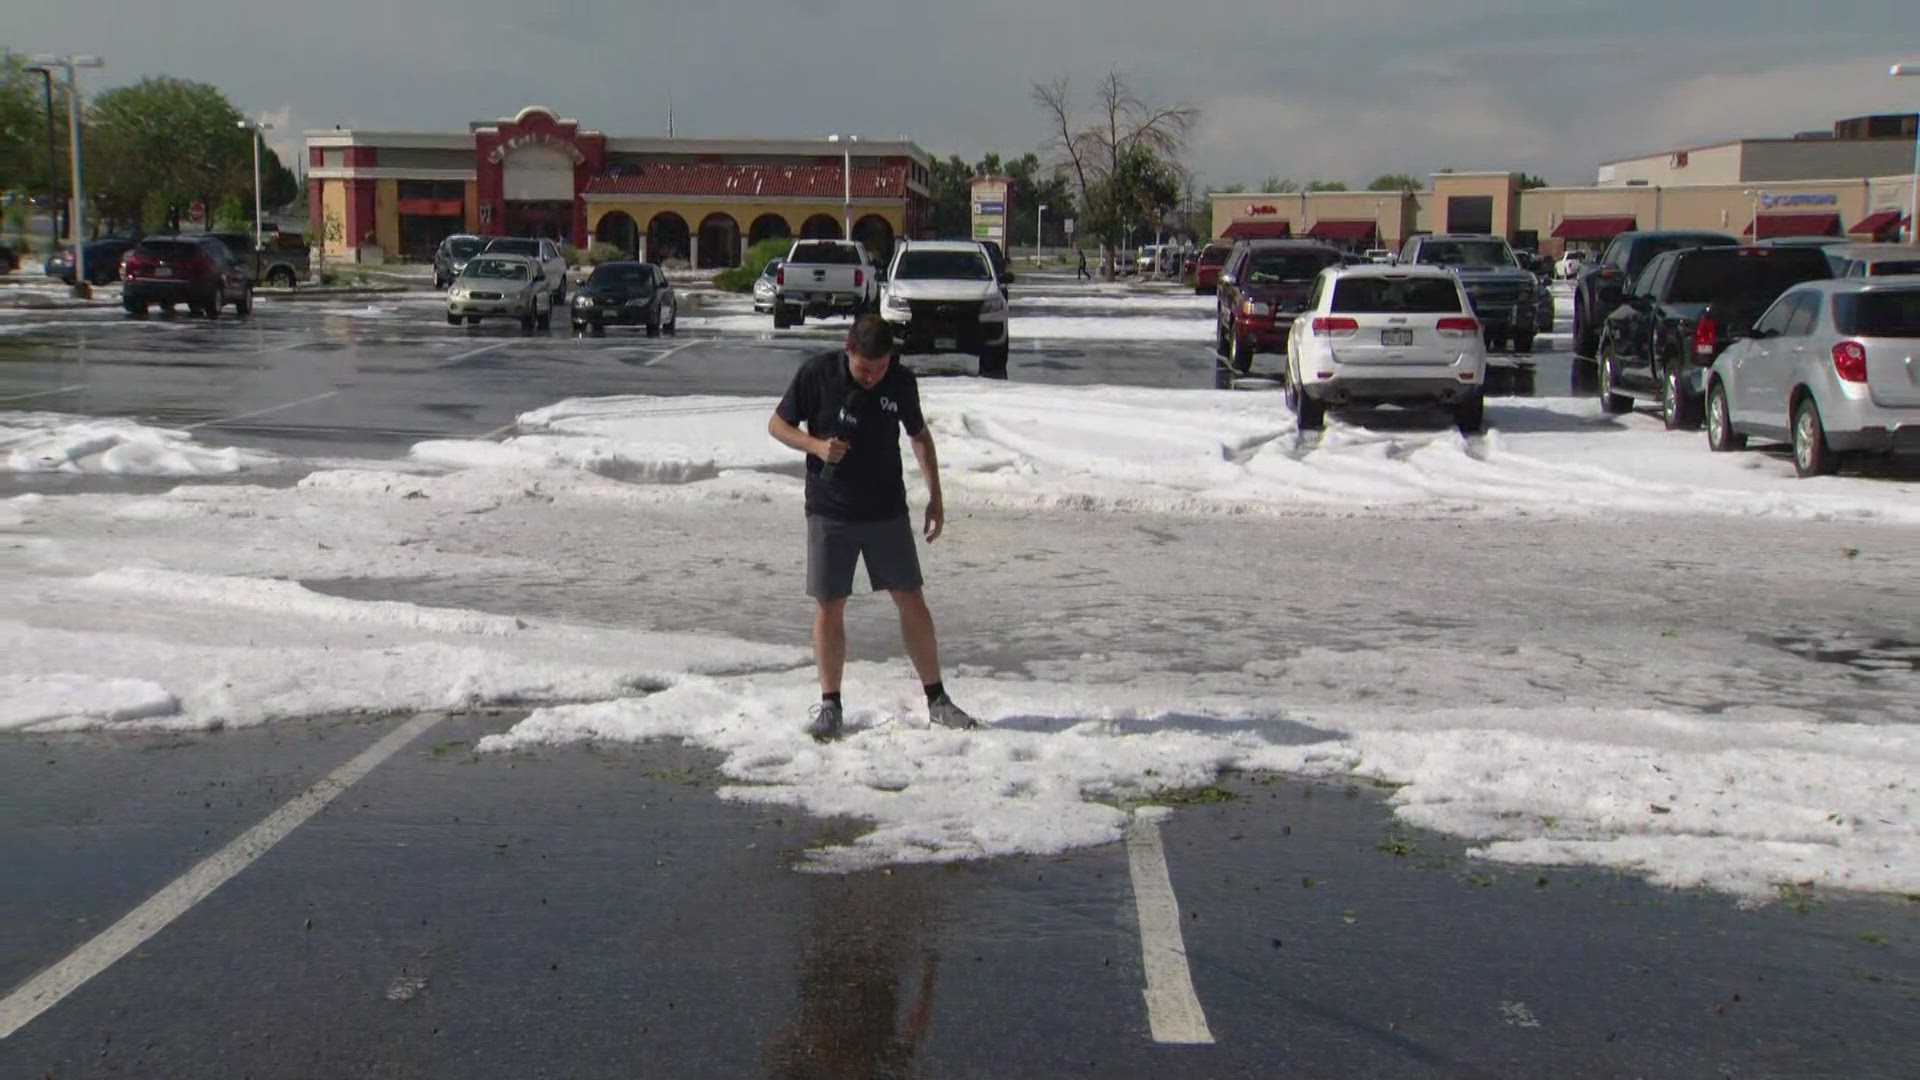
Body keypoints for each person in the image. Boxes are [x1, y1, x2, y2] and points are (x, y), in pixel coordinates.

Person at [767, 315, 977, 741]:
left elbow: (919, 436)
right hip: (830, 510)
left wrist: (936, 497)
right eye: (865, 368)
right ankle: (830, 705)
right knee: (830, 603)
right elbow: (777, 425)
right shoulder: (817, 374)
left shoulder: (899, 382)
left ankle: (937, 699)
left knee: (910, 598)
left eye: (880, 367)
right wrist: (816, 446)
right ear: (848, 351)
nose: (872, 376)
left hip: (885, 510)